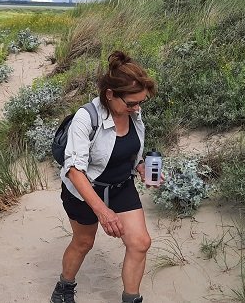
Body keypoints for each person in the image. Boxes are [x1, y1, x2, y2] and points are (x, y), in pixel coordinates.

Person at [50, 50, 159, 303]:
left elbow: (127, 149)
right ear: (110, 94)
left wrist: (140, 166)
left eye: (141, 102)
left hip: (121, 185)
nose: (137, 108)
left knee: (140, 242)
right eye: (131, 103)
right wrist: (103, 211)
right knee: (84, 242)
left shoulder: (133, 111)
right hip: (84, 190)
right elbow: (74, 171)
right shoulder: (85, 117)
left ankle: (131, 299)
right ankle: (64, 287)